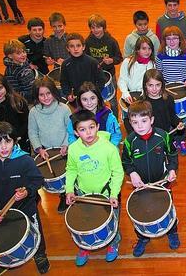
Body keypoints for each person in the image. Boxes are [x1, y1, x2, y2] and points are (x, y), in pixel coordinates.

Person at [0, 121, 50, 276]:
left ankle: (40, 254)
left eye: (8, 141)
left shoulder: (25, 160)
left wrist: (27, 191)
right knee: (5, 235)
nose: (4, 147)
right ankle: (6, 259)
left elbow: (37, 180)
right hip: (1, 209)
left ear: (14, 141)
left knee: (36, 232)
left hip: (26, 208)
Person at [65, 110, 124, 266]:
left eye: (91, 127)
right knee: (85, 221)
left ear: (97, 126)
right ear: (76, 133)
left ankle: (113, 243)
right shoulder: (73, 149)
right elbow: (71, 169)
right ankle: (84, 245)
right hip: (83, 193)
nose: (88, 132)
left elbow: (118, 172)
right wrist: (69, 189)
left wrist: (114, 194)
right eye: (82, 129)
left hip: (107, 195)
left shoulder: (109, 148)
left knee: (113, 221)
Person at [122, 100, 180, 257]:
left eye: (144, 121)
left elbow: (173, 154)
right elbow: (126, 162)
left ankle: (172, 231)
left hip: (162, 183)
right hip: (140, 186)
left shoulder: (163, 136)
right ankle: (142, 237)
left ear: (151, 120)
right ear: (130, 123)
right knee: (141, 212)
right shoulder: (129, 142)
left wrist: (172, 169)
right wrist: (132, 173)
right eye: (135, 122)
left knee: (167, 208)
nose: (140, 126)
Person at [28, 77, 71, 213]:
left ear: (53, 92)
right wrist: (39, 148)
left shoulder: (64, 108)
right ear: (37, 95)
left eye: (48, 93)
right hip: (46, 151)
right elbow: (33, 132)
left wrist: (65, 145)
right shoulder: (33, 112)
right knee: (54, 175)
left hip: (63, 150)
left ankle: (67, 195)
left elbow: (70, 129)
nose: (45, 97)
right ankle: (61, 194)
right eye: (41, 94)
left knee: (68, 175)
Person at [124, 69, 186, 154]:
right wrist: (136, 135)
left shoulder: (169, 99)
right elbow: (128, 121)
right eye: (150, 85)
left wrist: (178, 123)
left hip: (164, 136)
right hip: (148, 139)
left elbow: (172, 116)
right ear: (145, 85)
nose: (154, 89)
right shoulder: (141, 103)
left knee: (167, 157)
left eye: (158, 85)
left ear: (162, 85)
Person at [84, 14, 122, 119]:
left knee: (113, 101)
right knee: (98, 100)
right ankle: (101, 120)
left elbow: (119, 57)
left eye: (98, 27)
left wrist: (112, 60)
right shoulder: (87, 42)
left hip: (109, 75)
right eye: (93, 27)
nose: (96, 30)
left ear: (104, 28)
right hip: (95, 76)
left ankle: (115, 121)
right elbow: (84, 58)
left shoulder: (111, 41)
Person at [60, 33, 105, 101]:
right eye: (72, 46)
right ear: (68, 48)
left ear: (83, 47)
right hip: (76, 99)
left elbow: (101, 80)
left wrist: (94, 93)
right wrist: (68, 94)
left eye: (78, 45)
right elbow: (64, 82)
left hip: (92, 98)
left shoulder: (93, 62)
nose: (75, 49)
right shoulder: (65, 64)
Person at [118, 36, 156, 104]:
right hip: (129, 95)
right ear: (137, 50)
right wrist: (125, 93)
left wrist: (145, 93)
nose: (147, 51)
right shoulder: (127, 62)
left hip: (145, 96)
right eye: (144, 48)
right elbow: (122, 80)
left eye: (149, 48)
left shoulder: (152, 64)